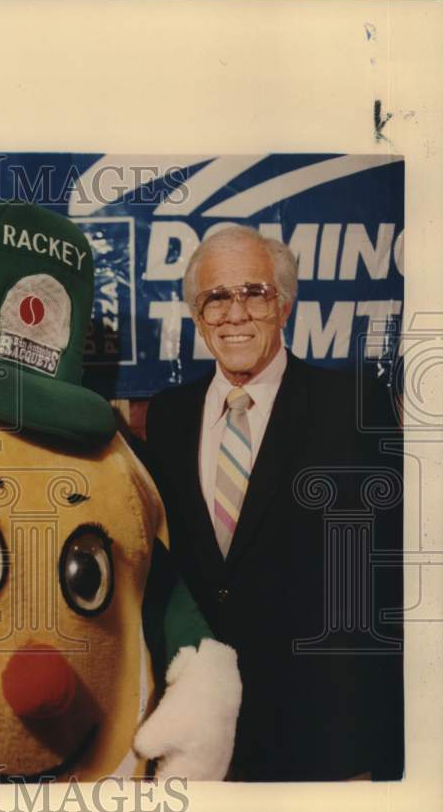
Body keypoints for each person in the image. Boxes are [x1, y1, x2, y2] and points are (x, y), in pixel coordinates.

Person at [144, 225, 403, 781]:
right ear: (196, 314)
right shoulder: (167, 416)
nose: (234, 314)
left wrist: (371, 754)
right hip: (203, 743)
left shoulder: (352, 407)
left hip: (321, 742)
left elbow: (381, 591)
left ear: (283, 304)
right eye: (216, 298)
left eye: (253, 293)